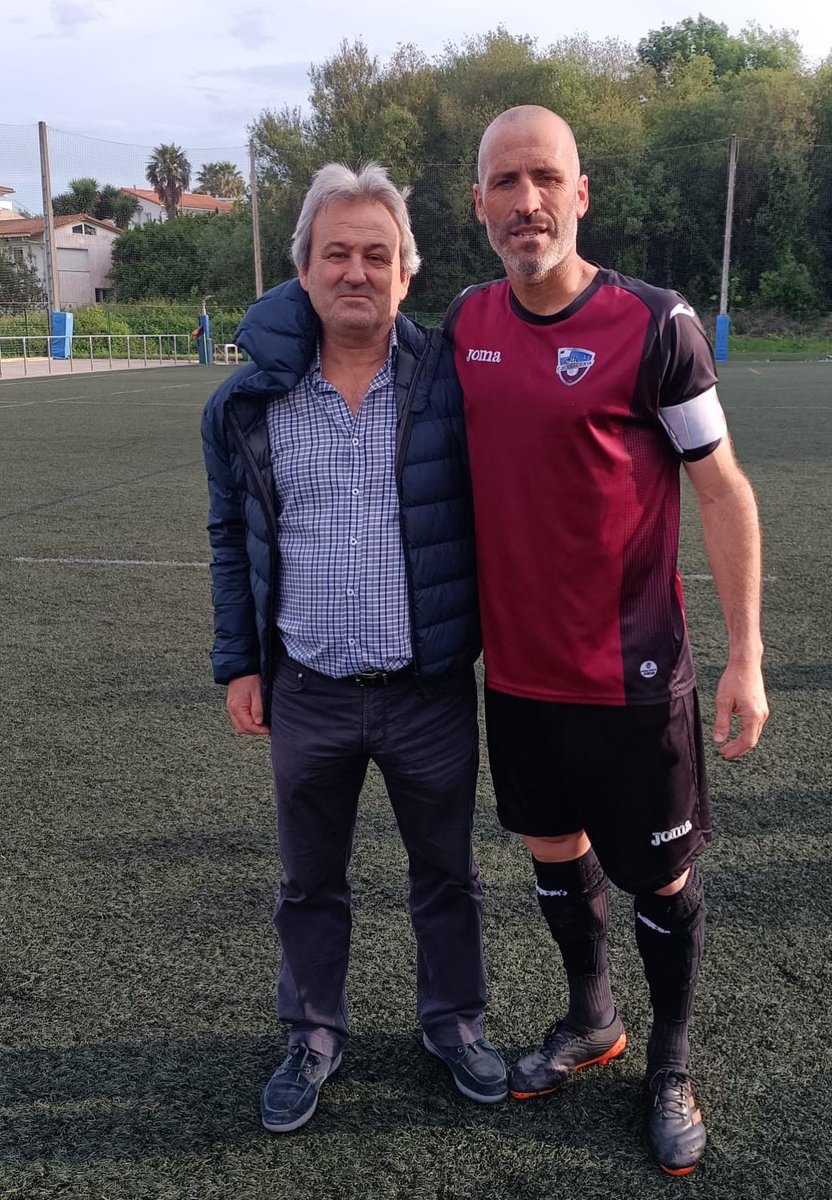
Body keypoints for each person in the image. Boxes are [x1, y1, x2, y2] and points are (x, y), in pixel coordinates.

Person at [446, 106, 768, 1176]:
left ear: (580, 194)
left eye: (544, 177)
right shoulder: (465, 324)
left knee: (661, 883)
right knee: (551, 851)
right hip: (519, 676)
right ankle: (592, 1018)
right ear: (478, 203)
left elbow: (720, 491)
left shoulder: (655, 323)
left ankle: (667, 1059)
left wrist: (746, 654)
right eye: (505, 181)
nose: (525, 200)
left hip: (634, 679)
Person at [201, 162, 508, 1133]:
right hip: (310, 689)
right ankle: (313, 1031)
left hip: (426, 689)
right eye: (336, 252)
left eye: (378, 254)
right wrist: (239, 662)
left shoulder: (456, 387)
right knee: (307, 881)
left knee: (446, 874)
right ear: (303, 268)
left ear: (406, 274)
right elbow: (227, 536)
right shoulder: (247, 405)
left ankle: (453, 1022)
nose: (357, 271)